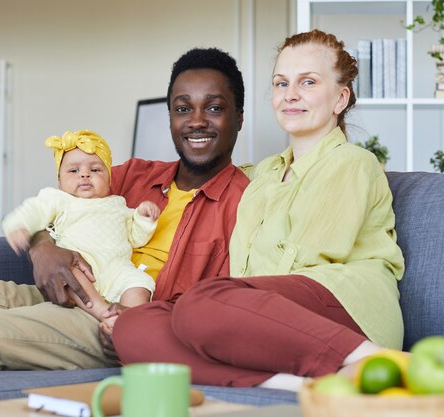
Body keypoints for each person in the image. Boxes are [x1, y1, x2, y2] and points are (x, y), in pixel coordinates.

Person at [0, 47, 250, 378]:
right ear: (170, 118)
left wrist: (140, 326)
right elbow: (58, 204)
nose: (196, 121)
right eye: (183, 109)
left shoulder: (247, 202)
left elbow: (225, 308)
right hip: (62, 294)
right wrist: (42, 248)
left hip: (112, 326)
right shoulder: (133, 175)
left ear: (239, 118)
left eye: (213, 108)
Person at [112, 29, 405, 391]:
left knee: (201, 302)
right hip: (263, 317)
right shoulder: (263, 174)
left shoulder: (352, 162)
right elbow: (209, 173)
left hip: (342, 311)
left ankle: (378, 360)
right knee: (133, 327)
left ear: (340, 98)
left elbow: (305, 261)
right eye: (281, 84)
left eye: (308, 82)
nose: (290, 95)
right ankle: (295, 384)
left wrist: (229, 303)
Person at [3, 129, 160, 324]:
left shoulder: (118, 204)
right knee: (67, 270)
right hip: (79, 267)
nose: (85, 175)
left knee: (141, 283)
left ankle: (130, 318)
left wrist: (144, 218)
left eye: (95, 170)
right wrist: (20, 226)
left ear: (109, 179)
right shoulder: (58, 199)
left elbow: (136, 238)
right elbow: (33, 210)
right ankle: (104, 313)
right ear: (60, 181)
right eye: (74, 170)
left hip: (117, 270)